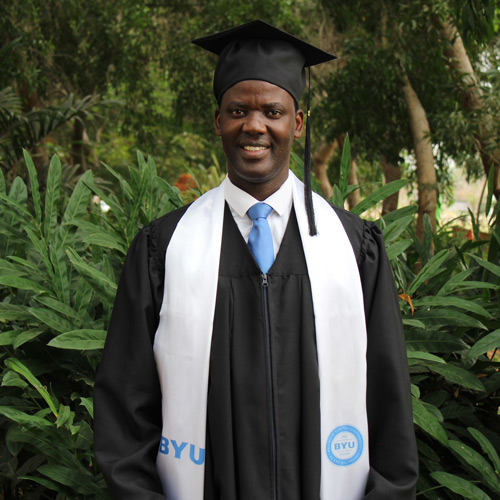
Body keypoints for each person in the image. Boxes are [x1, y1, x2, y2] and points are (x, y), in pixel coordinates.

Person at [94, 20, 418, 500]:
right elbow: (125, 409)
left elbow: (388, 401)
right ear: (218, 121)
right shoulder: (163, 249)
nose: (255, 125)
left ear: (298, 122)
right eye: (238, 110)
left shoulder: (354, 248)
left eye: (273, 110)